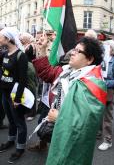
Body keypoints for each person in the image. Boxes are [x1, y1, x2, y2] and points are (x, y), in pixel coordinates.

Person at [33, 35, 107, 165]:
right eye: (74, 49)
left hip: (74, 139)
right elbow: (47, 72)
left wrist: (59, 117)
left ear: (89, 59)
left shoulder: (94, 84)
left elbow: (86, 123)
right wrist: (42, 49)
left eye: (78, 51)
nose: (72, 52)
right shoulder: (67, 71)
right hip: (60, 131)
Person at [0, 27, 29, 163]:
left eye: (1, 37)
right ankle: (11, 141)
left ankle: (20, 147)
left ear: (8, 39)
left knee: (19, 122)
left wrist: (17, 99)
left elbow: (23, 80)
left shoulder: (21, 56)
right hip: (5, 94)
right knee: (11, 120)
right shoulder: (4, 53)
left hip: (15, 96)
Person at [98, 40, 114, 151]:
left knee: (107, 117)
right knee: (97, 114)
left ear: (113, 50)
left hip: (108, 92)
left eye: (109, 47)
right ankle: (98, 134)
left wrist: (105, 83)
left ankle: (107, 140)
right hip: (98, 90)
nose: (106, 49)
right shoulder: (101, 60)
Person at [19, 32, 37, 121]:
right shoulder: (26, 46)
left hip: (29, 68)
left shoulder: (31, 46)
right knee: (26, 89)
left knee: (31, 89)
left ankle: (32, 112)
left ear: (26, 39)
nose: (20, 40)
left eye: (22, 38)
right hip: (25, 67)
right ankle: (27, 110)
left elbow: (29, 58)